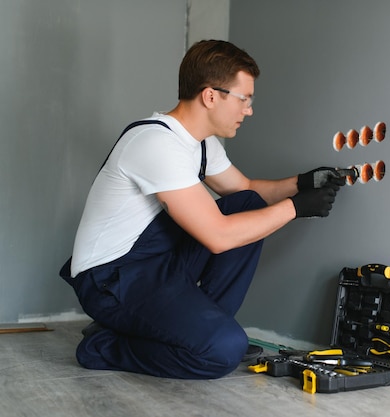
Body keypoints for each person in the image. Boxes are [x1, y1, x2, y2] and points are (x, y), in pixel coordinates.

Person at [59, 39, 347, 379]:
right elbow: (217, 236)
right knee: (223, 351)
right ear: (211, 96)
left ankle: (203, 330)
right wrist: (295, 209)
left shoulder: (200, 143)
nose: (249, 110)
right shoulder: (155, 144)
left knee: (247, 205)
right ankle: (105, 345)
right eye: (244, 99)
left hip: (156, 268)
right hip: (111, 281)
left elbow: (247, 190)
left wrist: (301, 183)